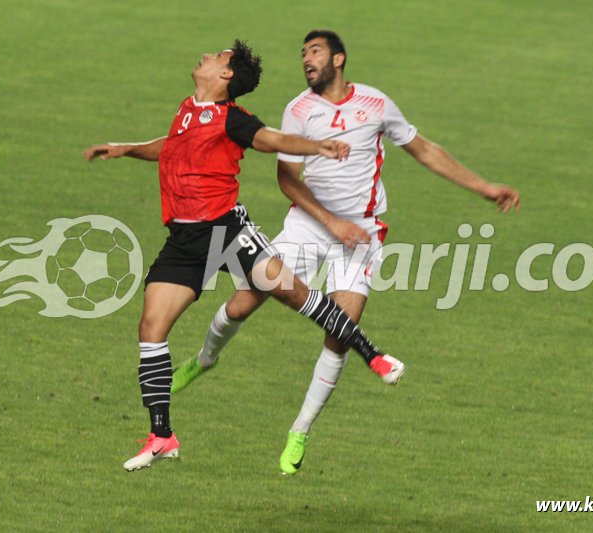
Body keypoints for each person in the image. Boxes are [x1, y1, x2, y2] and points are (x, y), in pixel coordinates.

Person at [171, 30, 521, 475]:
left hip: (361, 234)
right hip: (307, 225)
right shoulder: (298, 110)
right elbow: (287, 180)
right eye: (302, 54)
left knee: (340, 331)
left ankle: (300, 430)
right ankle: (204, 360)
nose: (306, 60)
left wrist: (484, 187)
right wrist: (330, 221)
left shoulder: (375, 104)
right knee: (242, 303)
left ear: (339, 58)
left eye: (314, 52)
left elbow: (424, 150)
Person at [83, 40, 404, 472]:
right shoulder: (189, 109)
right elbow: (173, 146)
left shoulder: (233, 119)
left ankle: (373, 354)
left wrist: (318, 147)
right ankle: (162, 435)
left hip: (227, 231)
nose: (205, 56)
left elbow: (272, 140)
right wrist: (126, 148)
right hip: (183, 239)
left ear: (226, 75)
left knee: (296, 296)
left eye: (216, 56)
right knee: (151, 327)